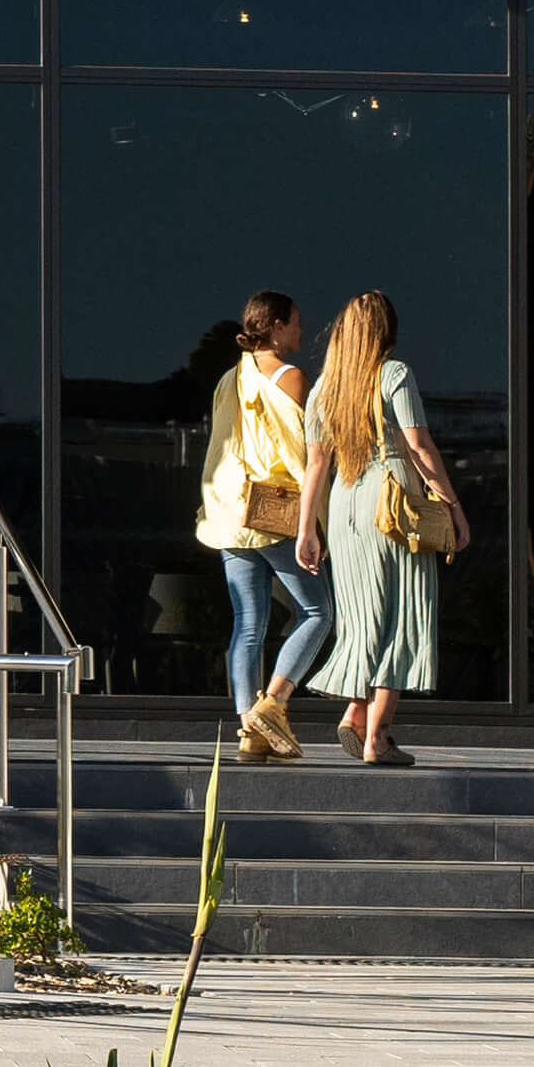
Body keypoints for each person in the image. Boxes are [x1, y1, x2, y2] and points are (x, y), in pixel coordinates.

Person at [295, 282, 456, 769]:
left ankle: (354, 712)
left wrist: (307, 530)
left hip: (344, 509)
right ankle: (377, 739)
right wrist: (452, 505)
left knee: (364, 620)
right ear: (387, 331)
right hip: (393, 510)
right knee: (402, 620)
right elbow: (420, 447)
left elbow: (316, 465)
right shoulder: (394, 374)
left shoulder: (325, 386)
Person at [192, 292, 322, 759]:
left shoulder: (230, 378)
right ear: (278, 325)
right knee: (318, 612)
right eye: (297, 324)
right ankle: (274, 704)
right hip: (274, 511)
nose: (302, 333)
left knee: (248, 626)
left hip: (229, 512)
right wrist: (315, 518)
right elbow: (300, 452)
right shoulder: (290, 378)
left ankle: (250, 730)